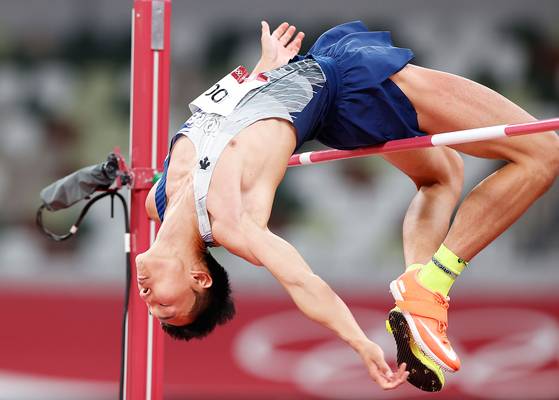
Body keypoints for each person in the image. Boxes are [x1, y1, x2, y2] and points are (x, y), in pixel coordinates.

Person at [135, 20, 559, 392]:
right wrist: (360, 342)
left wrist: (264, 68)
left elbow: (227, 118)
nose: (151, 303)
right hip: (355, 85)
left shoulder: (160, 198)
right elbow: (303, 283)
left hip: (324, 92)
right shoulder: (232, 221)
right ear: (199, 278)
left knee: (441, 176)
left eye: (157, 311)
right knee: (544, 152)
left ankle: (417, 287)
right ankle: (432, 286)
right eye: (166, 308)